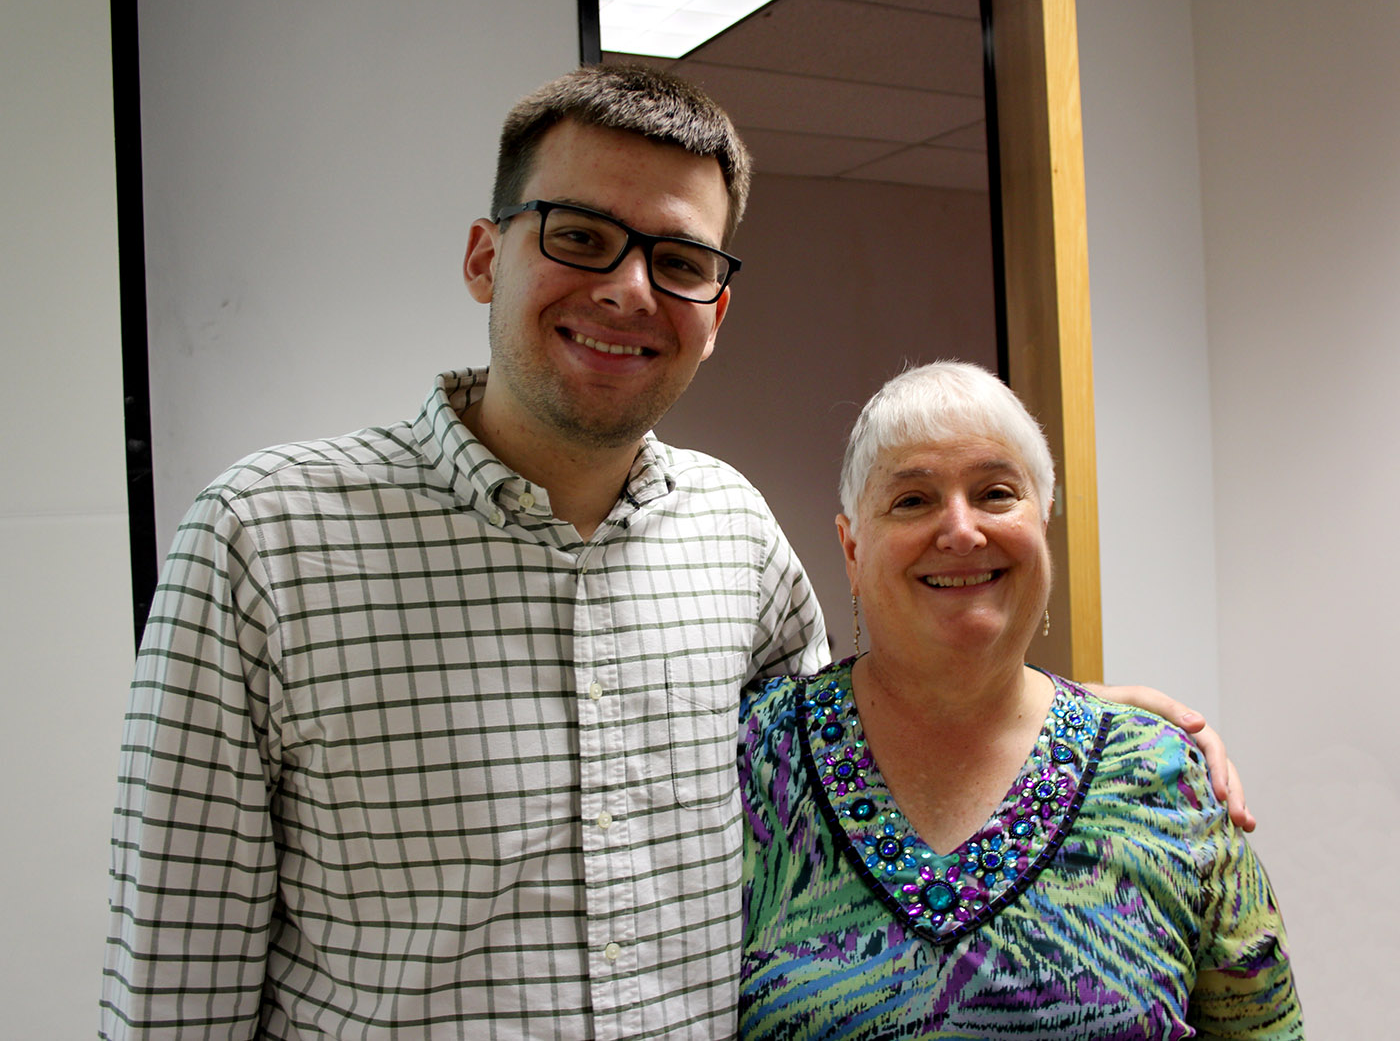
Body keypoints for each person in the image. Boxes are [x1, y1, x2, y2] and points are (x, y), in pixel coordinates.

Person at [102, 66, 1248, 1040]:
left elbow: (857, 757)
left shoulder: (733, 533)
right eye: (579, 235)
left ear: (716, 306)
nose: (626, 289)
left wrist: (1064, 721)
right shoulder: (263, 540)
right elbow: (172, 992)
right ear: (480, 257)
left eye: (680, 260)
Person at [739, 361, 1301, 1039]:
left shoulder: (1163, 777)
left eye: (996, 492)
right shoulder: (756, 759)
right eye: (912, 499)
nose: (961, 529)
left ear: (1045, 521)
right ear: (853, 549)